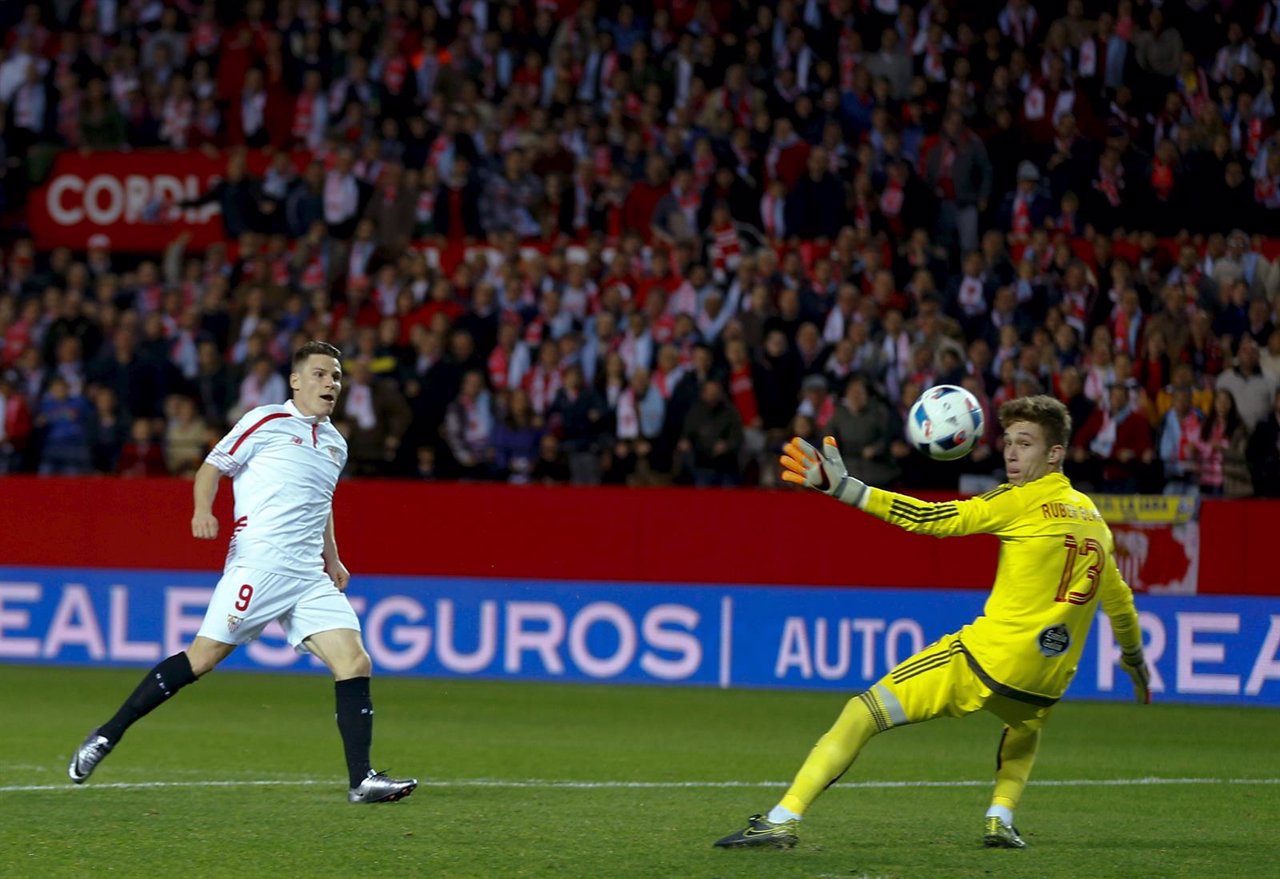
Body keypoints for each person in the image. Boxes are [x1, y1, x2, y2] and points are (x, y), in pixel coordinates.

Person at [714, 395, 1150, 851]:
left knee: (862, 712)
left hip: (988, 661)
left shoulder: (1018, 501)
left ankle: (781, 820)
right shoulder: (1096, 522)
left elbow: (930, 519)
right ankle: (1000, 817)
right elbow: (1119, 602)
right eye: (1008, 443)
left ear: (1055, 453)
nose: (1012, 454)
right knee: (1022, 728)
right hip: (1046, 681)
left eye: (1026, 443)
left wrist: (844, 488)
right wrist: (1135, 660)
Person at [69, 341, 417, 804]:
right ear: (296, 380)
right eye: (319, 374)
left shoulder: (335, 442)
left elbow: (322, 502)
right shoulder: (266, 420)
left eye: (335, 376)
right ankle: (107, 735)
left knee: (355, 661)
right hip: (261, 563)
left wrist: (332, 557)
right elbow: (212, 468)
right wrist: (202, 511)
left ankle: (361, 781)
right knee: (201, 659)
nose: (330, 383)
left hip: (308, 574)